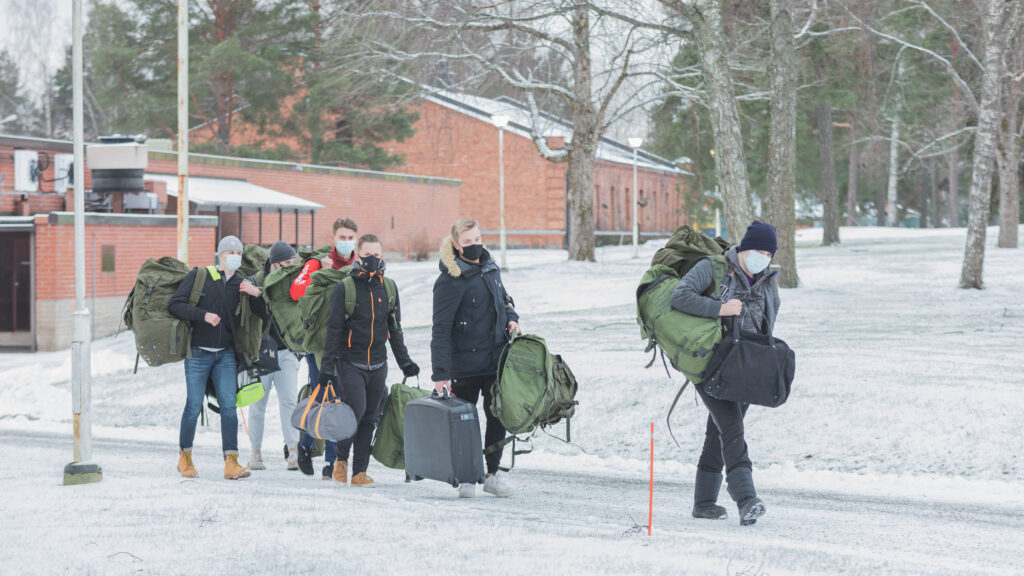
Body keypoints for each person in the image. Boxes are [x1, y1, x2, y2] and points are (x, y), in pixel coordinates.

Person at [670, 220, 781, 526]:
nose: (763, 257)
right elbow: (679, 297)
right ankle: (746, 499)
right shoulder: (713, 268)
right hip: (711, 362)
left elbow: (771, 316)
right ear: (744, 248)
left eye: (768, 253)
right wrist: (720, 309)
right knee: (731, 428)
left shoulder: (768, 279)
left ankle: (704, 503)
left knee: (718, 430)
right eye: (758, 250)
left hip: (745, 365)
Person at [319, 234, 419, 487]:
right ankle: (341, 461)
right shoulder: (345, 288)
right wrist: (326, 368)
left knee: (370, 417)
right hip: (350, 362)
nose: (373, 260)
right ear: (358, 255)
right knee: (355, 413)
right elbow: (333, 331)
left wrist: (405, 361)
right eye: (367, 255)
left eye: (377, 255)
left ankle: (359, 472)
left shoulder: (389, 288)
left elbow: (394, 330)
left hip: (378, 363)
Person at [431, 218, 519, 499]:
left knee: (497, 416)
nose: (474, 245)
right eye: (467, 241)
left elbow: (504, 300)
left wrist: (512, 319)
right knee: (465, 422)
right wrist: (440, 374)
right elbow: (441, 329)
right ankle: (467, 476)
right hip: (464, 365)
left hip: (495, 360)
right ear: (456, 245)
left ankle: (492, 474)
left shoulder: (491, 268)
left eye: (477, 238)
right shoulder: (449, 281)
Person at [168, 235, 268, 480]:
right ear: (220, 255)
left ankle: (231, 462)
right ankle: (185, 457)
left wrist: (256, 295)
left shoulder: (243, 283)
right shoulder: (200, 276)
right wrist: (203, 316)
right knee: (193, 406)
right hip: (198, 353)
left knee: (229, 407)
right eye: (230, 252)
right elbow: (176, 305)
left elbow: (263, 316)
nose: (235, 256)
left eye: (238, 253)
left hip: (225, 355)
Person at [293, 217, 359, 478]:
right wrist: (319, 272)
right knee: (324, 397)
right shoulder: (317, 263)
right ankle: (306, 446)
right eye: (341, 237)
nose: (346, 242)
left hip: (348, 344)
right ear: (333, 239)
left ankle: (331, 462)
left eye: (350, 237)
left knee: (340, 400)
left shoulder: (358, 265)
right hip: (319, 344)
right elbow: (296, 292)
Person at [246, 241, 301, 471]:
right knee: (258, 405)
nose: (291, 266)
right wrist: (257, 295)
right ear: (275, 263)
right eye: (287, 263)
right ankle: (255, 454)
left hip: (287, 352)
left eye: (292, 262)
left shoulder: (293, 281)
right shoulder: (255, 282)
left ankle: (294, 452)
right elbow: (258, 314)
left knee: (289, 402)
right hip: (261, 353)